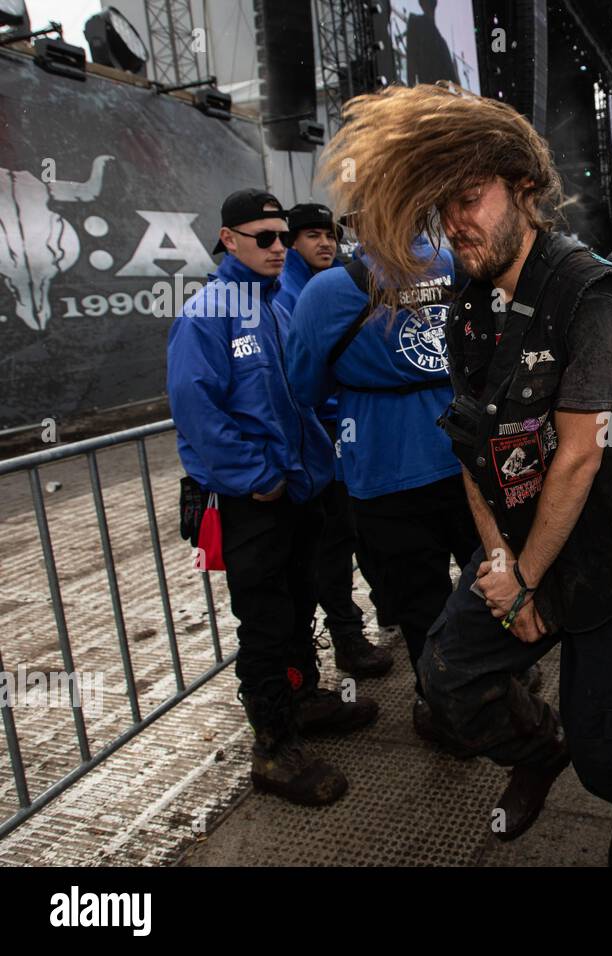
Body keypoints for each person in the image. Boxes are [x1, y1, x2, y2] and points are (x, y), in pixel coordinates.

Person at [320, 83, 612, 867]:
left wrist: (524, 581)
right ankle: (535, 752)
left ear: (524, 187)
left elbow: (581, 453)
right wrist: (498, 565)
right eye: (441, 209)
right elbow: (472, 446)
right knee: (446, 683)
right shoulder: (468, 301)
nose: (455, 223)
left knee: (609, 749)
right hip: (521, 550)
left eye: (470, 197)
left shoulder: (594, 294)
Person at [168, 189, 377, 807]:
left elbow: (303, 394)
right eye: (264, 237)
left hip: (297, 492)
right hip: (253, 500)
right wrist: (257, 477)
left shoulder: (279, 308)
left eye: (282, 237)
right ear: (228, 239)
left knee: (298, 602)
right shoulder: (207, 312)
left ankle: (304, 698)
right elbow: (196, 410)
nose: (278, 247)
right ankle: (273, 748)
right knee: (263, 622)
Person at [286, 229, 485, 742]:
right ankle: (498, 685)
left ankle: (444, 713)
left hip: (385, 468)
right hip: (472, 457)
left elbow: (305, 385)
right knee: (488, 581)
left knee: (422, 605)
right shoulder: (462, 264)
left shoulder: (329, 290)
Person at [277, 203, 393, 681]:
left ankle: (382, 615)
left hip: (338, 434)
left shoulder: (341, 281)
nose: (323, 243)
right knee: (326, 546)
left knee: (355, 534)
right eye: (310, 235)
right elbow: (296, 379)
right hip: (309, 439)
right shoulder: (287, 294)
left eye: (328, 234)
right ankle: (342, 638)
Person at [405, 0, 457, 86]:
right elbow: (411, 66)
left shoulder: (441, 43)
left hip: (435, 95)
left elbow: (455, 83)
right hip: (429, 93)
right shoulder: (416, 23)